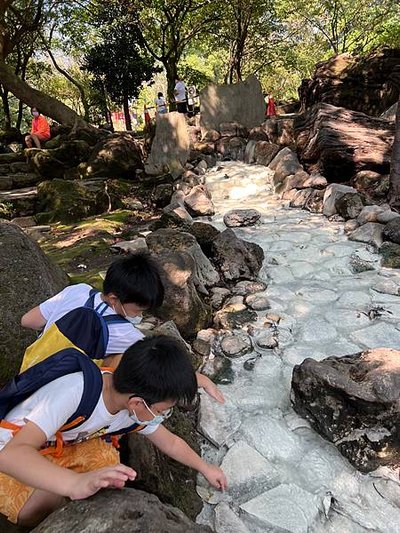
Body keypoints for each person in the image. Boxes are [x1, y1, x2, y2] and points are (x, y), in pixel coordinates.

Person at [0, 336, 228, 527]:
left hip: (60, 442)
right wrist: (74, 484)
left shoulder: (129, 404)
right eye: (162, 411)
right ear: (137, 403)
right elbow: (11, 455)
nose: (162, 417)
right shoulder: (74, 392)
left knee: (111, 470)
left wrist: (205, 468)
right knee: (35, 509)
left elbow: (170, 443)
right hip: (12, 445)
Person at [21, 253, 224, 403]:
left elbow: (27, 321)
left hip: (29, 370)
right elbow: (160, 369)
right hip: (55, 396)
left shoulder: (77, 290)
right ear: (114, 299)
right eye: (137, 310)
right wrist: (202, 380)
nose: (140, 316)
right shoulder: (125, 334)